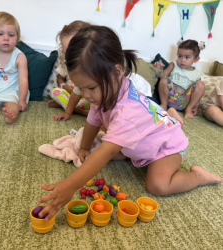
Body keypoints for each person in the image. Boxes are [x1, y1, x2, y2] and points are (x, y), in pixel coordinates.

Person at [37, 26, 221, 221]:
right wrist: (84, 147)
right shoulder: (106, 91)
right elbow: (93, 120)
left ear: (117, 72)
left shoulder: (127, 111)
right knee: (109, 153)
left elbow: (105, 151)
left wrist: (71, 184)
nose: (85, 95)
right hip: (144, 137)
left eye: (90, 87)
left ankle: (199, 177)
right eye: (80, 88)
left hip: (166, 145)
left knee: (157, 185)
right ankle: (133, 147)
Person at [47, 21, 91, 120]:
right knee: (56, 92)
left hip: (96, 102)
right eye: (67, 53)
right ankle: (76, 109)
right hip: (77, 98)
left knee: (94, 104)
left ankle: (75, 108)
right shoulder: (73, 68)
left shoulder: (95, 69)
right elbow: (76, 92)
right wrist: (67, 113)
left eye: (74, 52)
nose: (70, 58)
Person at [156, 39, 205, 119]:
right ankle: (163, 105)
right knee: (164, 80)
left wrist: (196, 106)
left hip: (185, 102)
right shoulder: (174, 64)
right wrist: (159, 69)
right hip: (170, 98)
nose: (182, 60)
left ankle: (188, 109)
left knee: (201, 85)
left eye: (187, 57)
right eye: (180, 56)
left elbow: (198, 93)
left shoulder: (197, 74)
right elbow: (162, 76)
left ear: (196, 59)